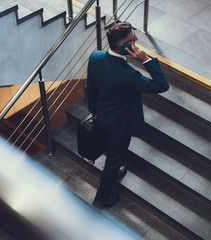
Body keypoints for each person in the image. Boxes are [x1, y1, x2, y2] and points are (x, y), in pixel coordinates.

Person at [87, 22, 169, 207]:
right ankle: (102, 197)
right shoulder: (129, 75)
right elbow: (161, 86)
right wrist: (146, 60)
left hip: (102, 114)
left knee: (112, 150)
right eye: (134, 40)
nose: (136, 44)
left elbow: (91, 88)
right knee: (115, 157)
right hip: (120, 124)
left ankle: (113, 170)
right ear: (124, 46)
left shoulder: (96, 56)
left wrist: (93, 111)